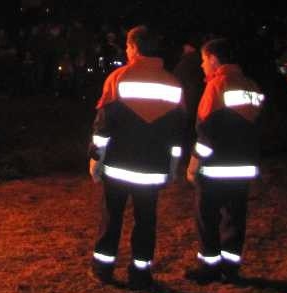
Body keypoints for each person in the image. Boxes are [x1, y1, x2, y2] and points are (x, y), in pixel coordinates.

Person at [88, 25, 185, 290]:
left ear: (133, 48)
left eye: (128, 47)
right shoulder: (174, 84)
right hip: (153, 168)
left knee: (111, 217)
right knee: (146, 220)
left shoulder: (119, 78)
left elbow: (103, 126)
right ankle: (141, 272)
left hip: (118, 166)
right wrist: (173, 166)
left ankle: (103, 269)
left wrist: (96, 158)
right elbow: (177, 134)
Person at [184, 38, 265, 285]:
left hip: (214, 169)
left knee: (207, 219)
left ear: (214, 59)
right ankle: (231, 269)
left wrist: (195, 162)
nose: (201, 66)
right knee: (235, 218)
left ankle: (209, 268)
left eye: (203, 60)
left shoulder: (217, 86)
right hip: (243, 167)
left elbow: (206, 131)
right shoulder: (253, 87)